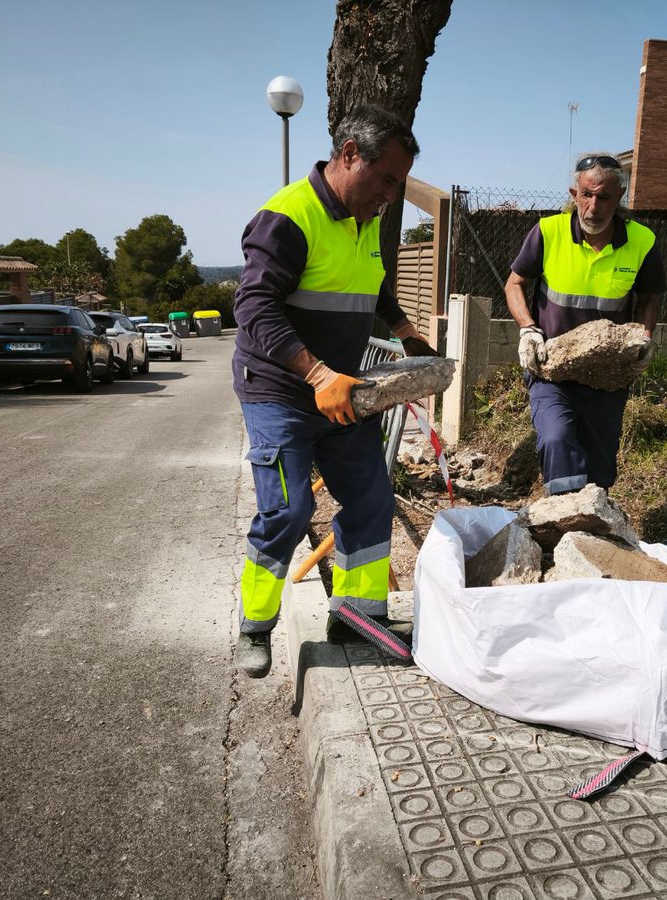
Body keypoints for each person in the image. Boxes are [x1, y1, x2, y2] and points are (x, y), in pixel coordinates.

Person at [231, 105, 438, 678]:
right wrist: (317, 375)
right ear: (349, 155)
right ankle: (254, 626)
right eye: (386, 179)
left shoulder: (365, 218)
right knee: (290, 508)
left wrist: (405, 333)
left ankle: (355, 616)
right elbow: (252, 307)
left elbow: (372, 286)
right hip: (279, 391)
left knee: (372, 499)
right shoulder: (288, 218)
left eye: (398, 184)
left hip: (343, 392)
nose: (391, 196)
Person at [504, 153, 665, 497]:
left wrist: (645, 338)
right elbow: (514, 283)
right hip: (551, 369)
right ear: (574, 194)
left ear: (619, 197)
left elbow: (649, 297)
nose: (594, 207)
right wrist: (528, 329)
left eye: (604, 197)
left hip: (606, 376)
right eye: (587, 195)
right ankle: (564, 521)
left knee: (599, 464)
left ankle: (591, 525)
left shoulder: (641, 242)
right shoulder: (548, 233)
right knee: (557, 437)